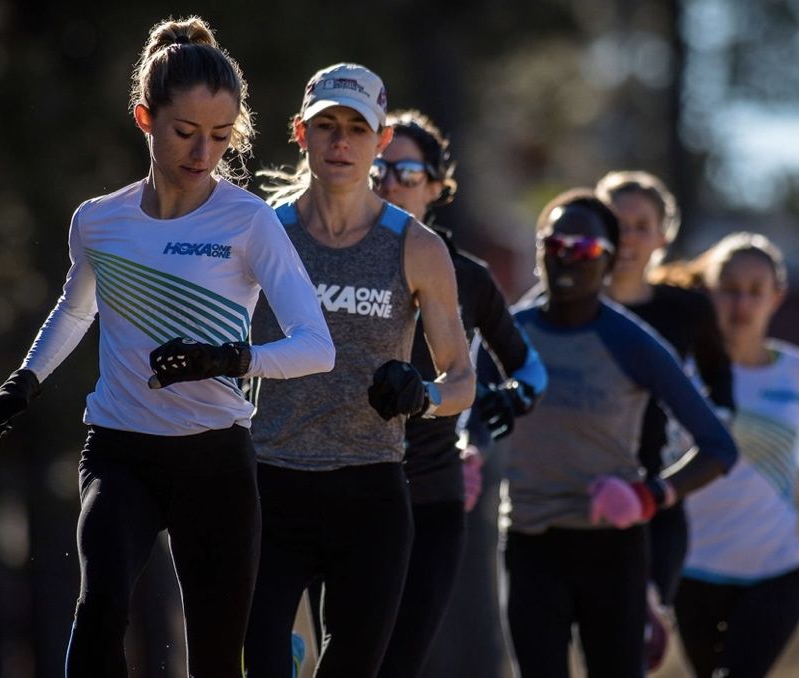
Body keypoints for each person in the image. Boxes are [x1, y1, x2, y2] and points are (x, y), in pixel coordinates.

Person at [0, 17, 335, 678]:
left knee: (218, 659)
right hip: (120, 452)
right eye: (185, 133)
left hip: (216, 462)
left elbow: (318, 347)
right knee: (102, 606)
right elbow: (74, 308)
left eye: (221, 138)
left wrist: (229, 358)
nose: (203, 155)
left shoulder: (247, 220)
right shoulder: (99, 220)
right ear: (145, 117)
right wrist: (23, 383)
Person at [243, 64, 476, 678]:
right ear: (301, 132)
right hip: (270, 486)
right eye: (326, 126)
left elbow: (462, 381)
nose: (340, 142)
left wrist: (420, 396)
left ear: (381, 139)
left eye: (355, 128)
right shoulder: (263, 230)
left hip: (369, 494)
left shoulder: (417, 246)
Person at [502, 189, 738, 677]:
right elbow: (469, 411)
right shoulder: (510, 334)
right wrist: (465, 452)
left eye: (585, 249)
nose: (568, 256)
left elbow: (718, 447)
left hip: (612, 548)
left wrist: (652, 495)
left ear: (608, 263)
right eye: (555, 243)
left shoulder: (631, 342)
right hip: (530, 544)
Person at [370, 110, 547, 678]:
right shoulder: (328, 258)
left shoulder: (467, 275)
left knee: (402, 662)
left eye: (406, 171)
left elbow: (531, 373)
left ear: (438, 186)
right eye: (379, 167)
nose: (388, 181)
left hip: (434, 495)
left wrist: (479, 437)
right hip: (347, 488)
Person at [662, 232, 799, 678]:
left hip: (776, 573)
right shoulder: (676, 369)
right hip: (692, 575)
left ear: (777, 298)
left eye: (756, 291)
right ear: (706, 292)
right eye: (729, 289)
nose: (741, 303)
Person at [594, 170, 735, 669]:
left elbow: (720, 378)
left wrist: (714, 420)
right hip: (576, 494)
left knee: (633, 642)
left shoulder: (687, 310)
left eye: (641, 225)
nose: (627, 237)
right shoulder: (570, 302)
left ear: (663, 235)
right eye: (615, 222)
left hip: (656, 497)